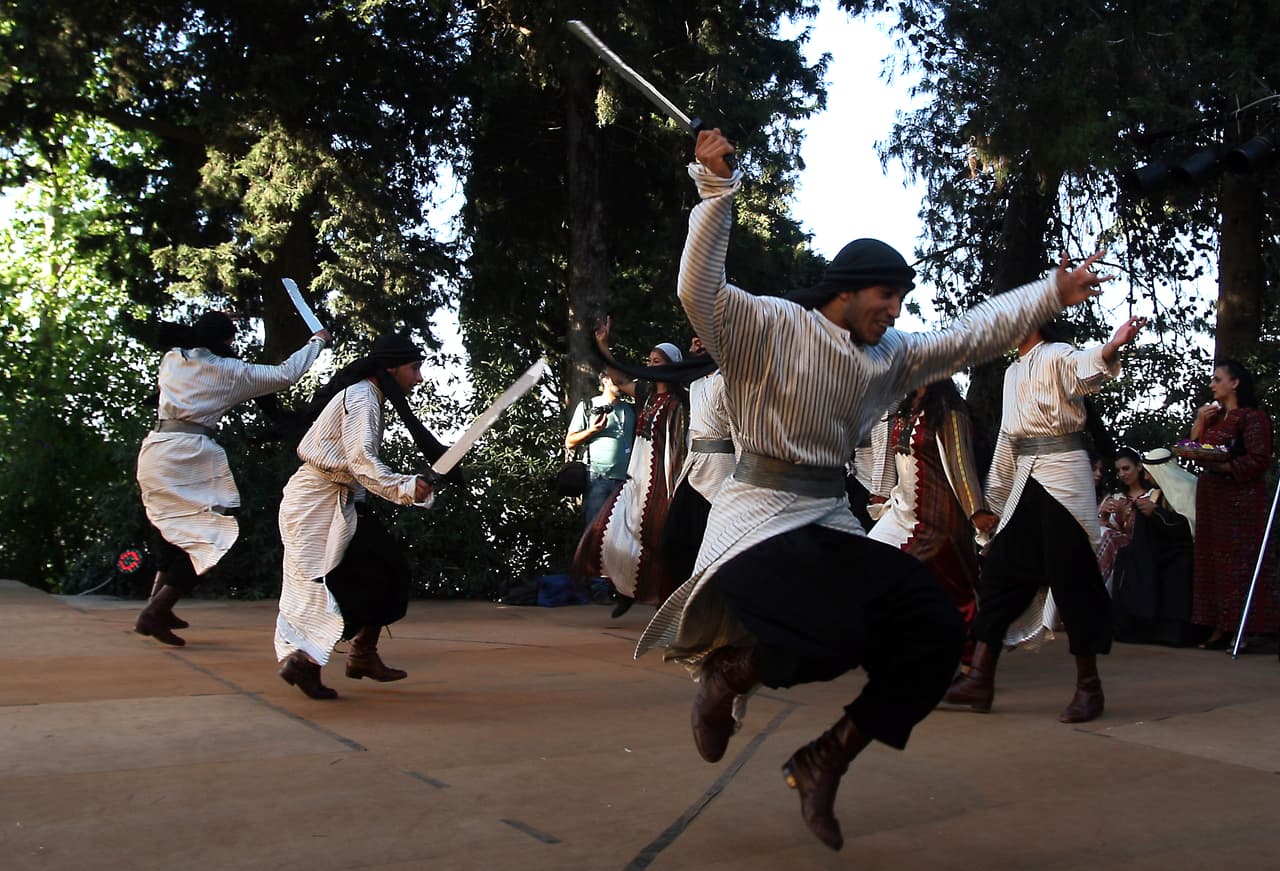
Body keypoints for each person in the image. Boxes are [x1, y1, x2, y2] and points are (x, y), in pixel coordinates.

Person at [635, 128, 1116, 851]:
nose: (895, 311)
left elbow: (970, 335)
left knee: (932, 626)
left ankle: (827, 755)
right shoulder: (767, 326)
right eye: (885, 296)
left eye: (900, 300)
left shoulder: (889, 356)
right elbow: (696, 288)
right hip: (757, 520)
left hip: (828, 517)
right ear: (848, 289)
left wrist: (1051, 290)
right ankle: (731, 672)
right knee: (833, 627)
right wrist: (714, 188)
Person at [942, 316, 1146, 724]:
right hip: (1025, 477)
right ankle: (980, 677)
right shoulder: (1012, 372)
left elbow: (1084, 369)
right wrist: (991, 502)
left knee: (1071, 576)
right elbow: (1006, 439)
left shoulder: (1056, 354)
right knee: (1000, 573)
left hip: (1063, 475)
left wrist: (1110, 348)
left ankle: (1089, 687)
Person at [134, 312, 328, 646]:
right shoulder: (230, 372)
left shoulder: (173, 358)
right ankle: (155, 611)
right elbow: (287, 374)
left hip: (154, 450)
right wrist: (318, 342)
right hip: (187, 455)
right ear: (226, 341)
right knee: (214, 538)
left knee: (173, 531)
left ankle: (157, 606)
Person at [274, 333, 448, 700]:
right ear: (391, 369)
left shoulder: (367, 396)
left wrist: (408, 485)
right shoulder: (362, 397)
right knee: (348, 583)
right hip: (317, 504)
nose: (418, 378)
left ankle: (360, 655)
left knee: (385, 572)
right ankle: (311, 661)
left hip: (335, 499)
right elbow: (361, 462)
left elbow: (357, 466)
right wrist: (405, 487)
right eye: (414, 368)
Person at [868, 379, 995, 669]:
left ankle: (971, 664)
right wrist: (880, 493)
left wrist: (976, 512)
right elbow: (889, 460)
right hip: (902, 511)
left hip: (938, 519)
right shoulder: (903, 408)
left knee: (953, 593)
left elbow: (962, 465)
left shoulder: (950, 411)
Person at [572, 320, 689, 617]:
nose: (650, 365)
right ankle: (624, 589)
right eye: (649, 360)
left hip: (662, 477)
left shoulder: (678, 403)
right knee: (611, 529)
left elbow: (680, 445)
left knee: (658, 538)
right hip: (635, 475)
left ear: (672, 366)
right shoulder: (646, 394)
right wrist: (602, 346)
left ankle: (662, 599)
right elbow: (618, 376)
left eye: (656, 361)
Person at [1185, 360, 1276, 650]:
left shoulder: (1252, 418)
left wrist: (1227, 467)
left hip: (1242, 500)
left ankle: (1248, 628)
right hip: (1213, 498)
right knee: (1211, 560)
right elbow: (1194, 449)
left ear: (1234, 383)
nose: (1212, 385)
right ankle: (1218, 627)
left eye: (1217, 379)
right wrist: (1200, 420)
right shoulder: (1214, 418)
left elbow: (1259, 459)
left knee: (1240, 562)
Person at [659, 336, 735, 587]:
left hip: (720, 473)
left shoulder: (729, 382)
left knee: (712, 539)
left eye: (701, 340)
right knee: (673, 540)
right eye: (692, 341)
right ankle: (686, 601)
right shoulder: (695, 383)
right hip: (693, 467)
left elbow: (741, 432)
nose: (695, 345)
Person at [1107, 447, 1198, 646]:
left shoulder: (1189, 487)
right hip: (1160, 548)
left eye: (1149, 472)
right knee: (1128, 557)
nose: (1146, 477)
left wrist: (1156, 513)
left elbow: (1188, 527)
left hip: (1184, 550)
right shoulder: (1156, 494)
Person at [564, 371, 637, 534]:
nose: (621, 382)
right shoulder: (588, 406)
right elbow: (569, 442)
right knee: (595, 532)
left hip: (626, 482)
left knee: (622, 534)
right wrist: (592, 430)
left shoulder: (631, 409)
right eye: (616, 379)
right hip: (596, 478)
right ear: (604, 381)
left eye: (623, 378)